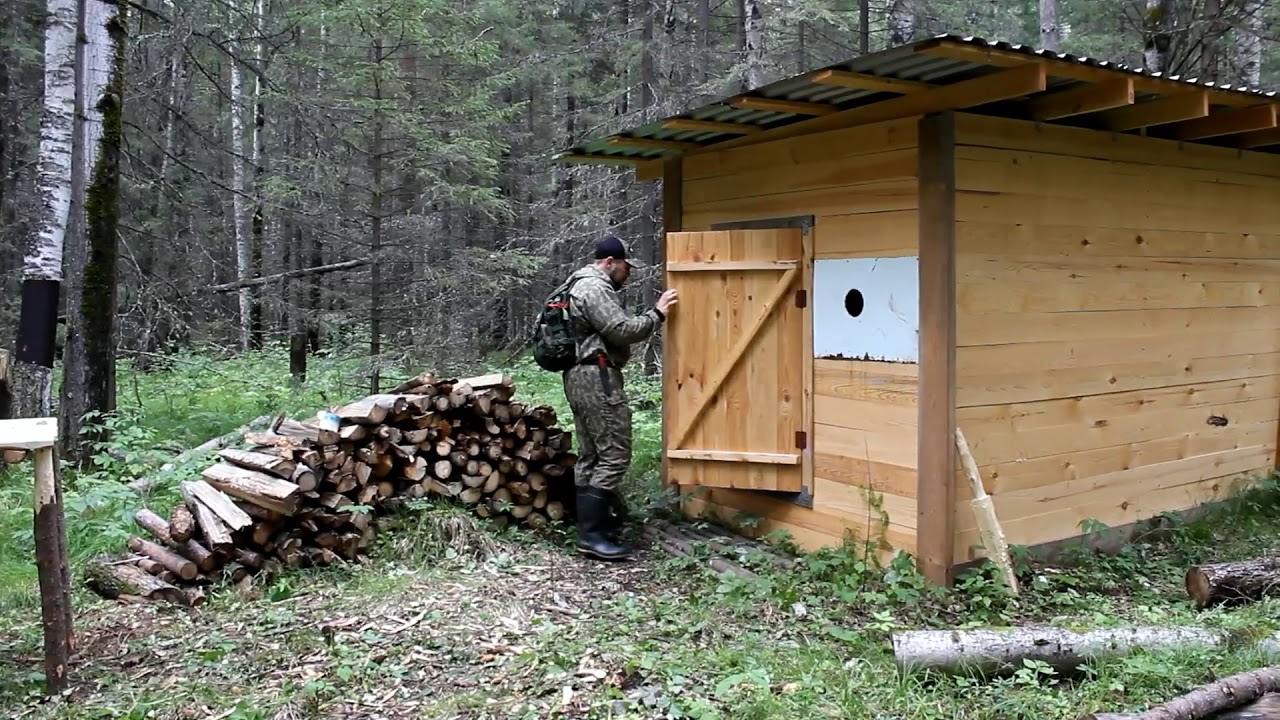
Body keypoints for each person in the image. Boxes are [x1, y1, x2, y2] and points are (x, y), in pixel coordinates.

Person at [562, 235, 678, 561]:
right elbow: (622, 330)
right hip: (596, 377)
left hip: (580, 374)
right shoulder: (593, 288)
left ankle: (591, 530)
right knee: (614, 454)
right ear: (610, 262)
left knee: (590, 455)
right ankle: (593, 535)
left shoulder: (577, 284)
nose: (628, 274)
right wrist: (657, 313)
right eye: (626, 267)